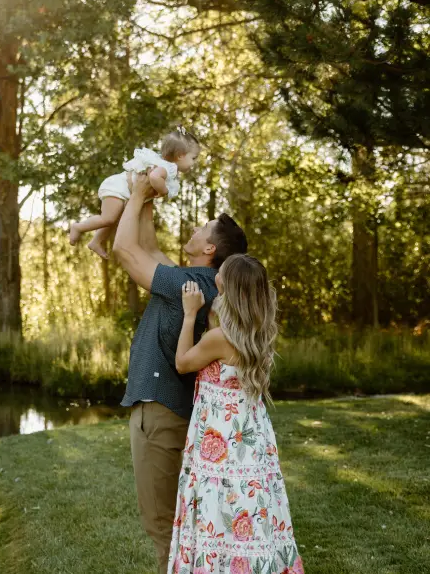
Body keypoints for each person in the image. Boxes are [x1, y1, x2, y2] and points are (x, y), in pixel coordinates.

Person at [112, 173, 248, 574]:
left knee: (161, 523)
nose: (194, 227)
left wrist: (135, 194)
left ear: (210, 248)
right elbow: (148, 247)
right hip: (167, 410)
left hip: (160, 412)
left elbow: (124, 249)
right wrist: (148, 200)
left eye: (202, 228)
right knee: (169, 521)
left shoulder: (195, 282)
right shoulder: (197, 281)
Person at [169, 255, 304, 574]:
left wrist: (190, 315)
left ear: (231, 287)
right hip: (250, 435)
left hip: (223, 437)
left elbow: (183, 363)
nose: (216, 275)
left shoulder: (220, 337)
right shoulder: (258, 330)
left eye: (222, 273)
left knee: (219, 505)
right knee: (249, 507)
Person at [69, 127, 200, 259]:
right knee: (108, 218)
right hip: (117, 188)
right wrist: (163, 190)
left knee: (113, 217)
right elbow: (154, 177)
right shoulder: (167, 168)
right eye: (194, 158)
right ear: (180, 155)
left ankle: (96, 241)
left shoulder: (161, 163)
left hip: (122, 190)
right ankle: (78, 227)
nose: (194, 163)